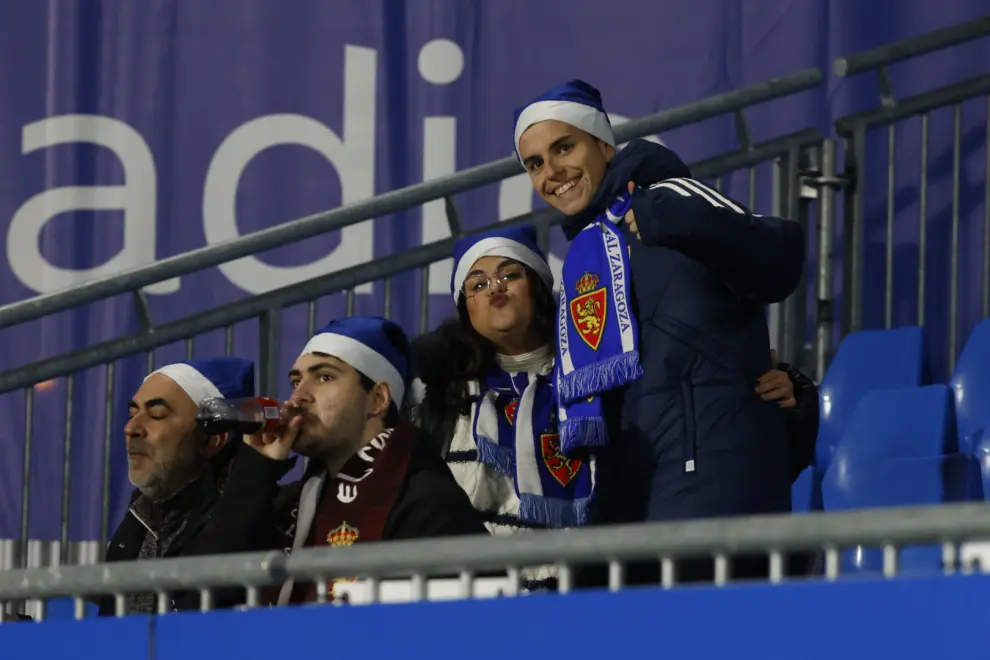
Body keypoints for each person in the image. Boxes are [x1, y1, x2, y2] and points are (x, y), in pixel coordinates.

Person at [513, 80, 805, 580]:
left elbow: (780, 257)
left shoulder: (665, 197)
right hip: (631, 490)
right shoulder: (585, 259)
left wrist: (679, 218)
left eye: (564, 147)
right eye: (535, 163)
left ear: (604, 145)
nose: (551, 172)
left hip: (711, 480)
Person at [234, 315, 487, 605]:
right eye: (295, 381)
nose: (298, 397)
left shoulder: (427, 503)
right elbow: (201, 597)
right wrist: (256, 468)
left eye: (324, 377)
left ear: (377, 399)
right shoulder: (292, 504)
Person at [410, 225, 594, 548]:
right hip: (477, 586)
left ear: (535, 286)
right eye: (477, 284)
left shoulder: (587, 374)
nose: (495, 289)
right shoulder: (448, 394)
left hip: (580, 584)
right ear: (466, 309)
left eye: (509, 275)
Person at [102, 356, 274, 615]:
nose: (131, 428)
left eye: (157, 414)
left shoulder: (249, 522)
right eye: (132, 413)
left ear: (210, 441)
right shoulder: (140, 518)